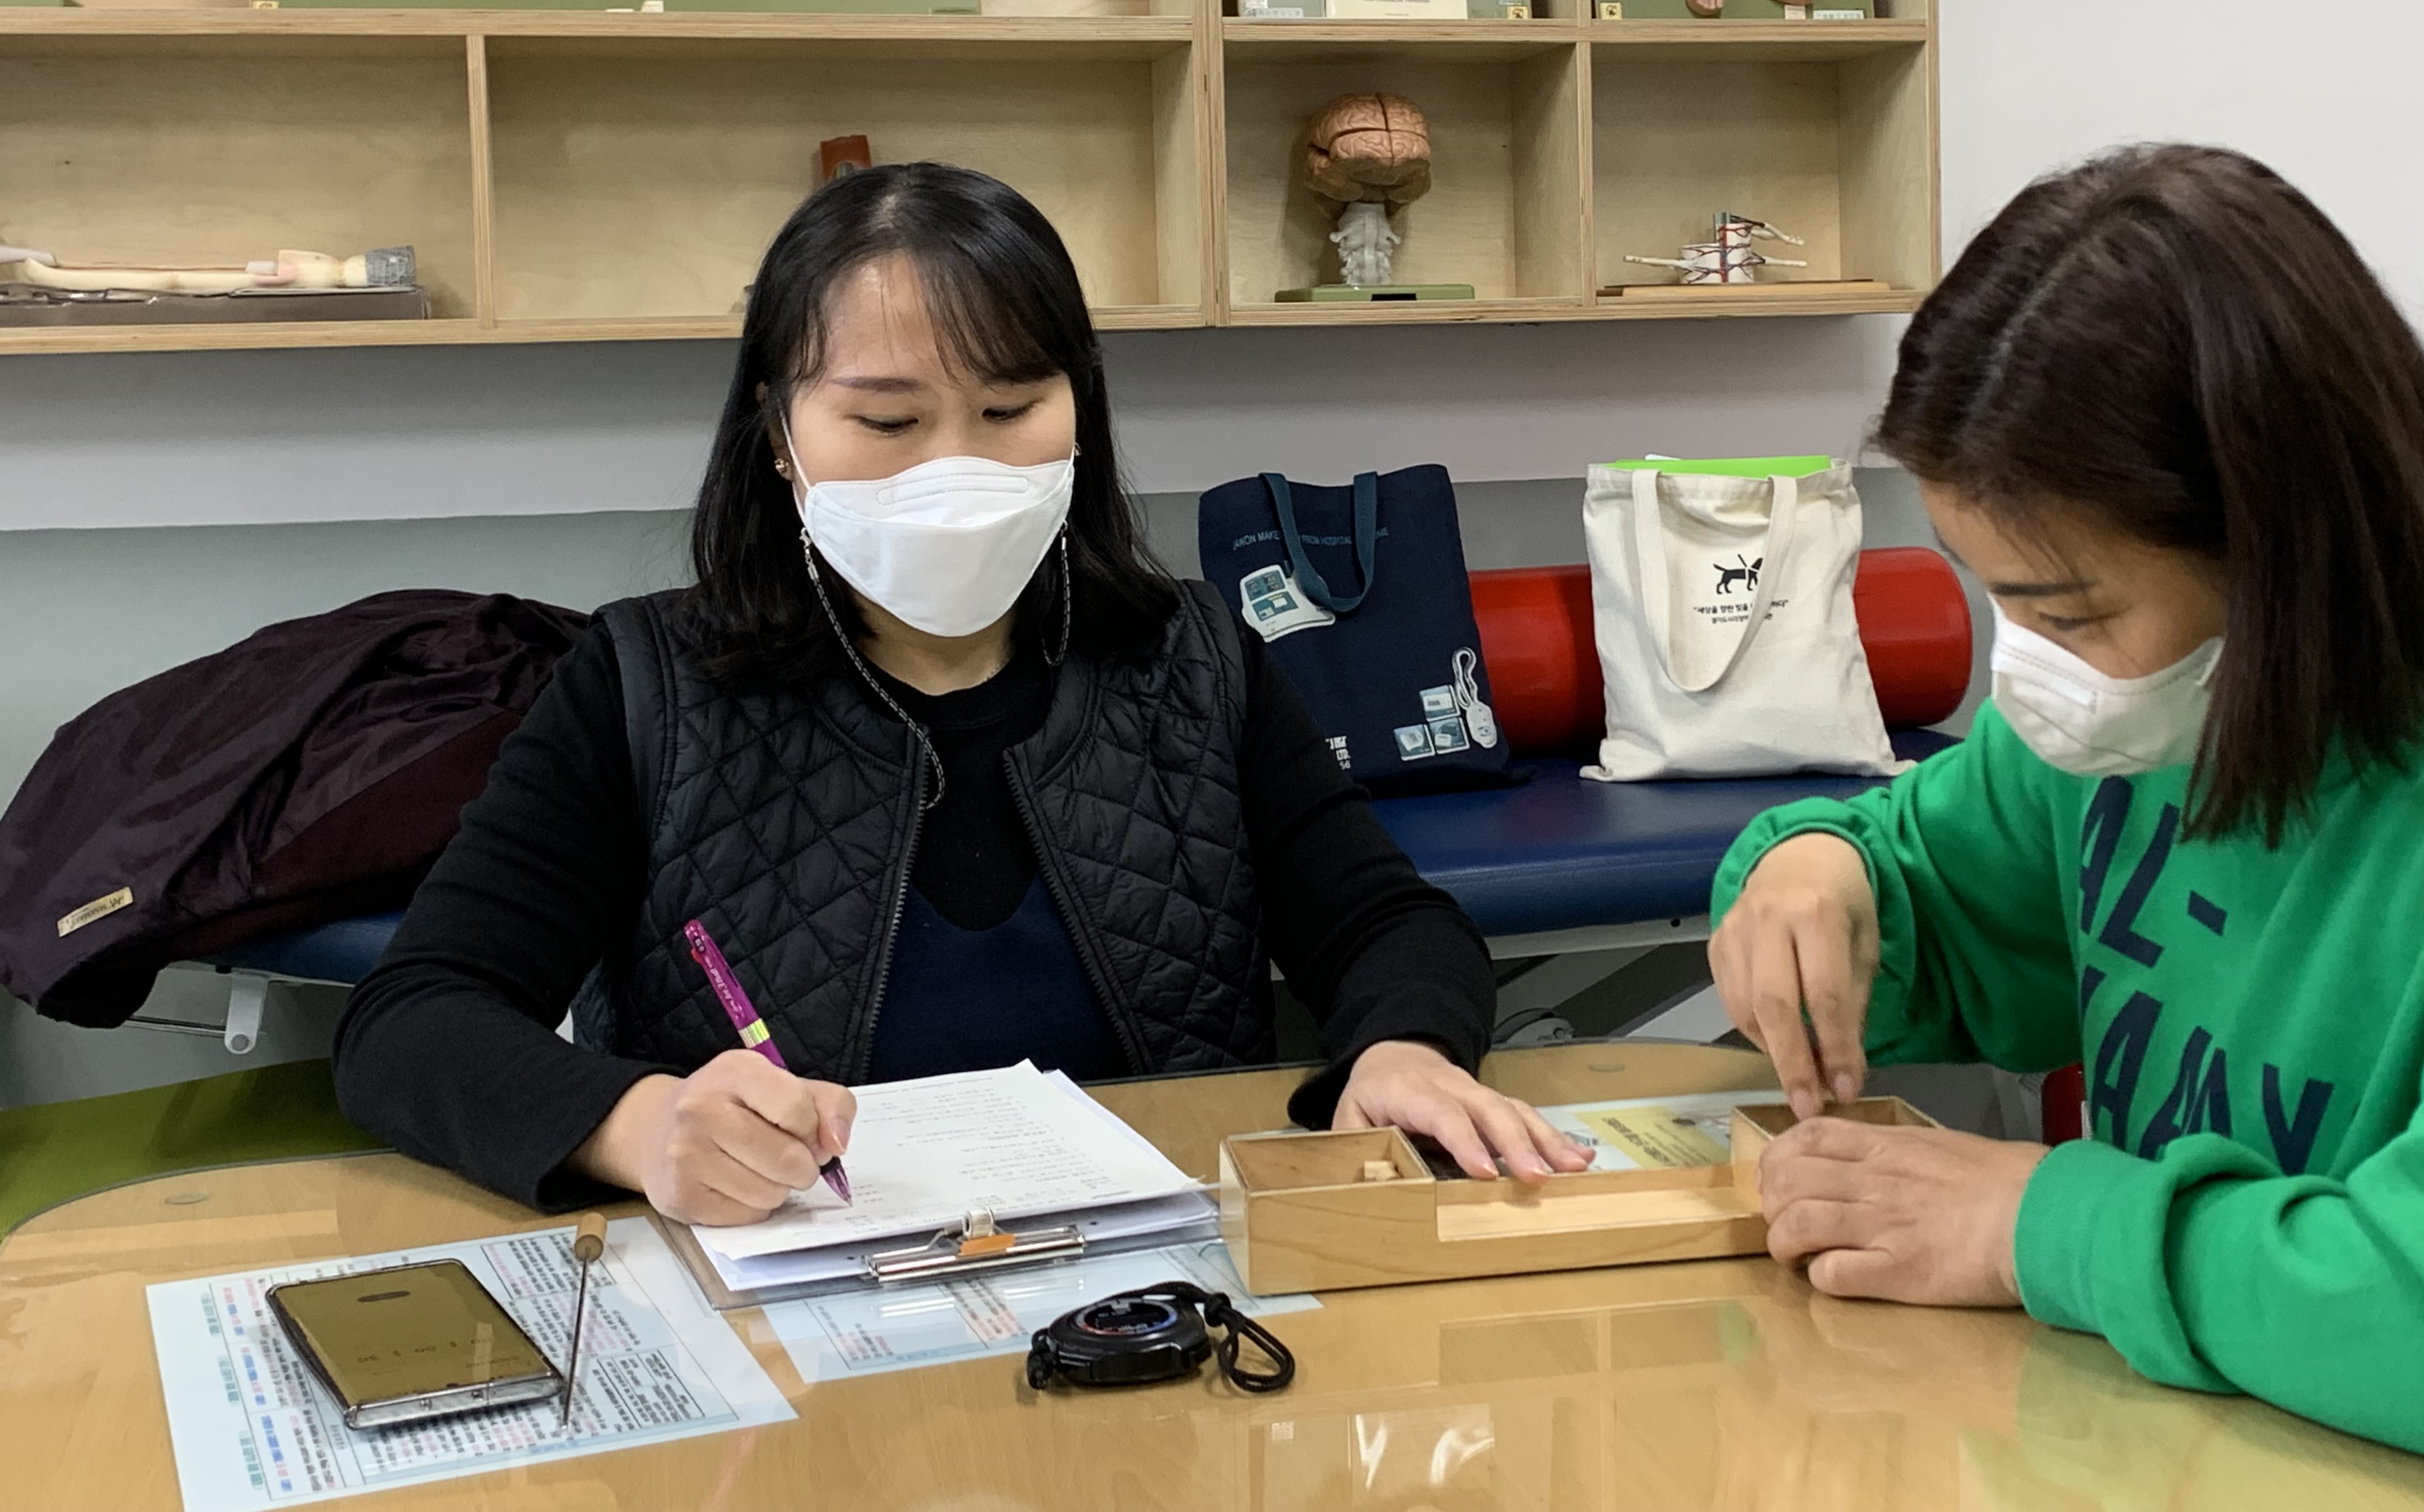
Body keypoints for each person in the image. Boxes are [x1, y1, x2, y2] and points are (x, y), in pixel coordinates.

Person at [1706, 144, 2424, 1499]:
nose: (2031, 670)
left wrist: (2033, 1226)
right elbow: (1916, 891)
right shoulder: (2145, 718)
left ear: (2288, 554)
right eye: (1997, 596)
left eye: (2070, 612)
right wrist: (1808, 869)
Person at [337, 164, 1587, 1223]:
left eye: (1008, 408)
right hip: (788, 1326)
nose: (956, 467)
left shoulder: (1193, 658)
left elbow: (1385, 923)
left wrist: (1400, 1049)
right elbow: (415, 1019)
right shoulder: (642, 683)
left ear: (1078, 412)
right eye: (885, 422)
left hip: (1161, 1291)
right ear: (779, 435)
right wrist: (641, 1125)